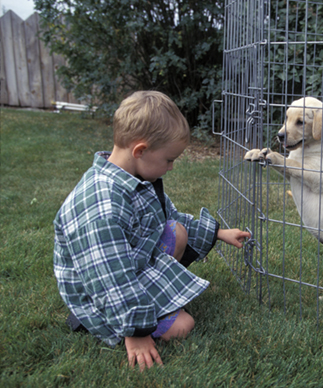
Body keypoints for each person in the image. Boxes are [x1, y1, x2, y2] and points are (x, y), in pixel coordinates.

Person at [53, 90, 251, 371]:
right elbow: (110, 277)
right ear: (140, 150)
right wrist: (136, 333)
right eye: (169, 160)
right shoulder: (101, 204)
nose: (171, 168)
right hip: (99, 292)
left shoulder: (134, 178)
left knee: (177, 231)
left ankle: (158, 303)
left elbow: (167, 217)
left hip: (134, 262)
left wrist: (218, 233)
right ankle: (120, 319)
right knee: (183, 325)